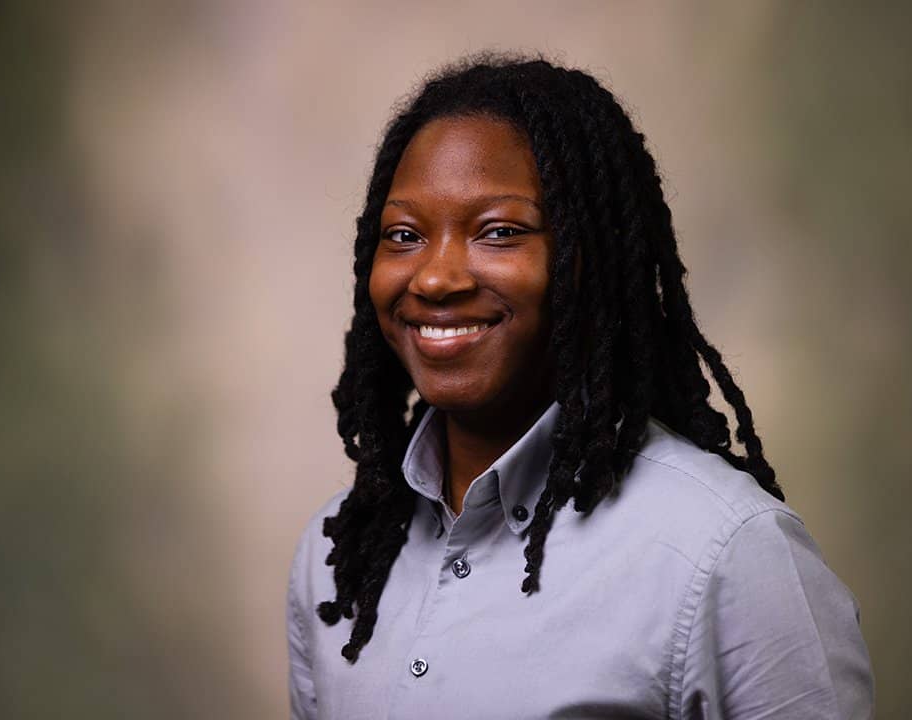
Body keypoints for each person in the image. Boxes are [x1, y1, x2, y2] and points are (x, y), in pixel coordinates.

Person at [287, 55, 874, 719]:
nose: (434, 277)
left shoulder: (729, 553)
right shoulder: (336, 561)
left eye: (499, 231)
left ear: (585, 261)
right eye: (404, 235)